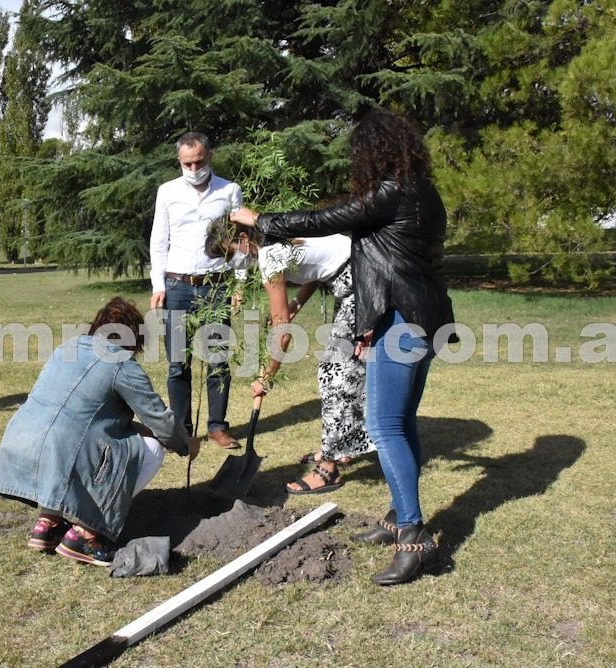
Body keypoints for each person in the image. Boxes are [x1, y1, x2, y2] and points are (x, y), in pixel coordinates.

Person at [231, 108, 455, 586]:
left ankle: (414, 539)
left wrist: (260, 220)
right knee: (402, 422)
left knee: (382, 424)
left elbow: (320, 219)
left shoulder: (390, 193)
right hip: (428, 317)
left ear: (373, 152)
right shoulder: (424, 193)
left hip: (402, 320)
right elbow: (380, 256)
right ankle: (399, 514)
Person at [0, 297, 201, 566]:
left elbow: (83, 417)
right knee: (152, 451)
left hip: (22, 445)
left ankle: (48, 524)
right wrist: (186, 444)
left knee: (66, 442)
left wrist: (146, 429)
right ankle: (86, 533)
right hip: (61, 448)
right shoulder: (122, 364)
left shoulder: (67, 347)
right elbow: (162, 421)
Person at [204, 220, 376, 495]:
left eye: (230, 252)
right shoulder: (277, 243)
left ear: (245, 239)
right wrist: (296, 303)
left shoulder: (270, 257)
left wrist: (266, 377)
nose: (233, 262)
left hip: (360, 280)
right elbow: (318, 268)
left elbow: (283, 335)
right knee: (350, 372)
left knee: (334, 375)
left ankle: (329, 469)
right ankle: (341, 446)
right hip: (354, 273)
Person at [150, 131, 244, 450]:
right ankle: (182, 429)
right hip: (177, 285)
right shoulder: (167, 192)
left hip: (216, 286)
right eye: (187, 164)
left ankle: (217, 427)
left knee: (217, 359)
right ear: (179, 161)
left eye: (199, 162)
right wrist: (158, 285)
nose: (193, 169)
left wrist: (239, 283)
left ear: (209, 157)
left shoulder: (229, 191)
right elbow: (159, 241)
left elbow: (239, 240)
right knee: (178, 363)